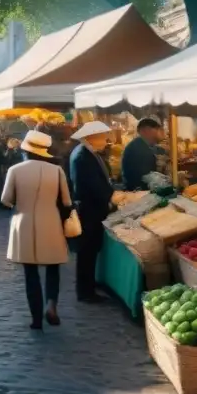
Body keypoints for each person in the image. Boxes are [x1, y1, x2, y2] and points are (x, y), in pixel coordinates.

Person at [2, 130, 73, 329]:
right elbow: (67, 201)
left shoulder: (15, 170)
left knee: (30, 272)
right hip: (50, 221)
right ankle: (51, 304)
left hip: (23, 222)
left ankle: (35, 319)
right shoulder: (57, 171)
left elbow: (5, 200)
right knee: (53, 267)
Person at [69, 120, 114, 303]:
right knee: (86, 251)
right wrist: (111, 197)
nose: (105, 141)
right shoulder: (82, 156)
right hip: (89, 210)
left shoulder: (88, 153)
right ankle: (85, 292)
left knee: (90, 250)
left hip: (92, 209)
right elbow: (92, 186)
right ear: (91, 138)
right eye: (102, 137)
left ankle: (88, 284)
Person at [120, 118, 164, 191]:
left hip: (139, 190)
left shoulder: (141, 144)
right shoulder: (138, 148)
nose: (159, 134)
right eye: (157, 130)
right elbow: (146, 176)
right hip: (138, 192)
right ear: (147, 130)